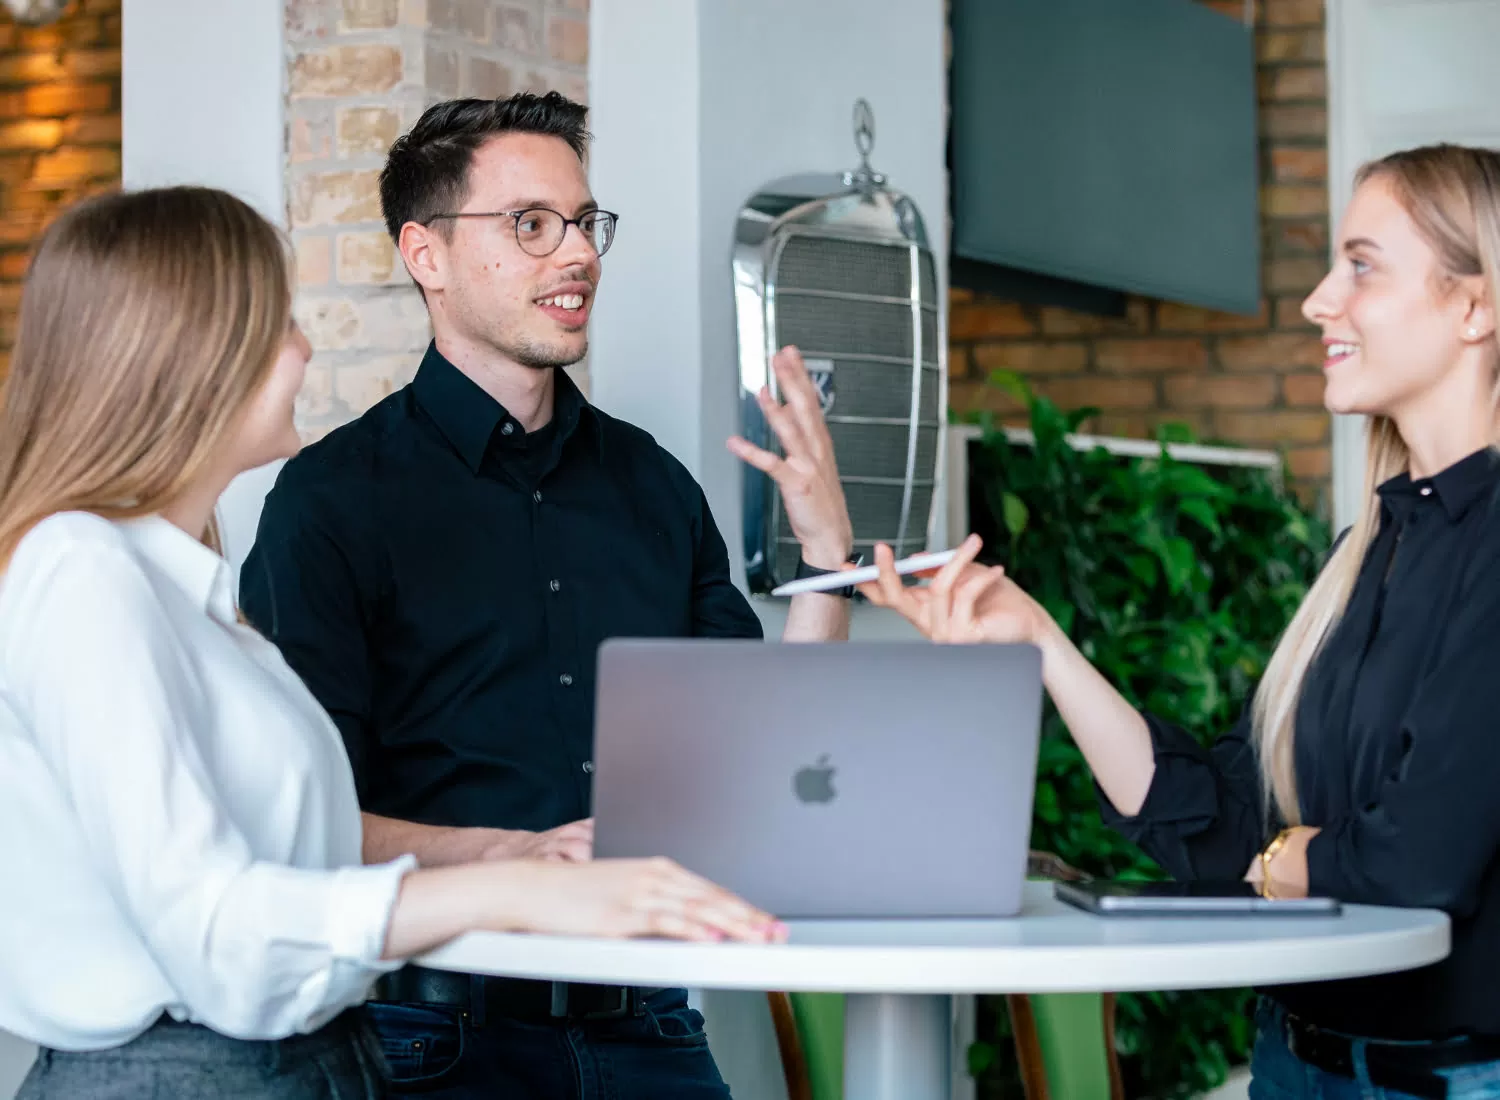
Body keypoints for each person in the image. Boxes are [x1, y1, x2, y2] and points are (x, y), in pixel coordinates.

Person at [0, 185, 786, 1100]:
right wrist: (517, 892)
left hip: (316, 1064)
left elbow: (298, 868)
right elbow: (217, 935)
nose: (301, 348)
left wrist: (515, 857)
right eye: (278, 321)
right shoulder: (79, 568)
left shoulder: (200, 613)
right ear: (188, 351)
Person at [239, 92, 854, 1098]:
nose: (576, 255)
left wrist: (824, 562)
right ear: (425, 255)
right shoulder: (330, 504)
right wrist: (517, 855)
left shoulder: (655, 487)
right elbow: (305, 820)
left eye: (583, 222)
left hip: (652, 1025)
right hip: (428, 1041)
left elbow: (771, 764)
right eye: (531, 225)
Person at [863, 143, 1500, 1099]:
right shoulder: (1365, 551)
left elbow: (1418, 862)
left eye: (1361, 266)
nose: (1318, 300)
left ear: (1474, 305)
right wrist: (1040, 643)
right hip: (1297, 1064)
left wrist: (1288, 857)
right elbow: (1229, 819)